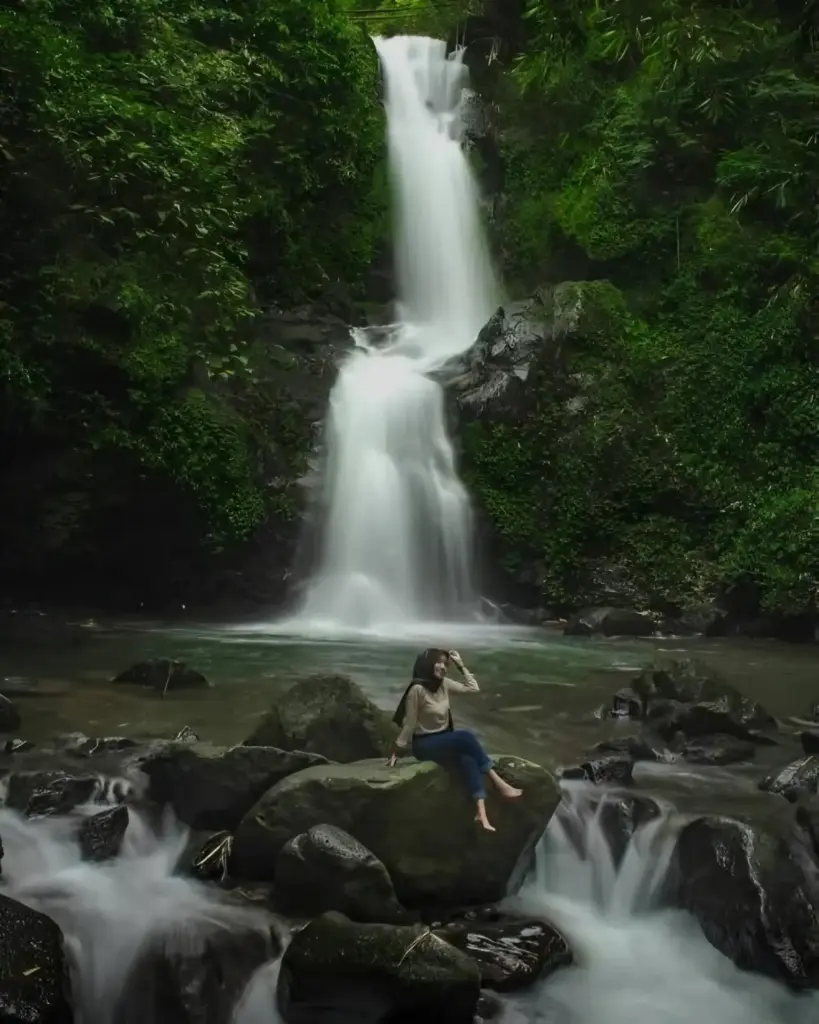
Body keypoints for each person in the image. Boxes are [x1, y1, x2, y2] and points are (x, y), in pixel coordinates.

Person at [388, 647, 522, 832]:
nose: (443, 667)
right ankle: (499, 782)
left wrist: (461, 665)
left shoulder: (443, 684)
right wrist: (396, 750)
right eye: (439, 662)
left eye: (446, 664)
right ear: (427, 664)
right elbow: (409, 724)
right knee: (466, 737)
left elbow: (473, 688)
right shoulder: (417, 690)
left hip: (444, 739)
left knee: (467, 758)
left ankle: (481, 813)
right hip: (425, 744)